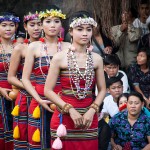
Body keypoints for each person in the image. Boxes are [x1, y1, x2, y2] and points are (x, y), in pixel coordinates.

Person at [44, 11, 106, 150]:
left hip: (88, 118)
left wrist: (92, 111)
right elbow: (47, 90)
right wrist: (70, 109)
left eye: (88, 29)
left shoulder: (96, 59)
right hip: (64, 118)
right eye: (80, 29)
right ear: (71, 31)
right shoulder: (60, 58)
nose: (85, 33)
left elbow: (102, 90)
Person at [22, 5, 70, 149]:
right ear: (42, 24)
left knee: (61, 141)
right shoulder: (34, 47)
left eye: (56, 21)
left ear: (61, 24)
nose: (52, 25)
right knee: (39, 142)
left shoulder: (68, 47)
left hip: (63, 101)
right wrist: (38, 99)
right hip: (39, 101)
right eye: (48, 21)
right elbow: (25, 78)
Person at [7, 11, 42, 149]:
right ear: (25, 27)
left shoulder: (53, 48)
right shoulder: (20, 48)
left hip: (44, 95)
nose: (36, 28)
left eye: (39, 24)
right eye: (32, 25)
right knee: (23, 135)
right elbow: (11, 77)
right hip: (25, 96)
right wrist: (28, 86)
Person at [0, 12, 20, 150]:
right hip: (0, 90)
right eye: (4, 25)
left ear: (16, 27)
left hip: (17, 91)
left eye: (11, 25)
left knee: (16, 126)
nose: (8, 29)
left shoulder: (20, 47)